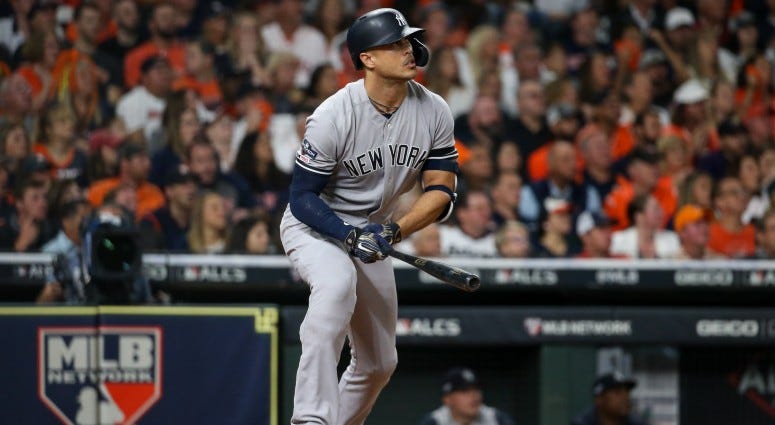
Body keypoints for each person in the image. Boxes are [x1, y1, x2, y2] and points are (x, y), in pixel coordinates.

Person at [279, 8, 458, 424]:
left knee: (379, 362)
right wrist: (345, 235)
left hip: (373, 231)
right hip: (317, 225)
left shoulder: (434, 111)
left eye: (409, 41)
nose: (409, 49)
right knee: (337, 284)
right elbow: (301, 197)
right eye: (395, 43)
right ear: (367, 58)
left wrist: (393, 231)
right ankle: (310, 417)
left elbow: (440, 192)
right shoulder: (332, 115)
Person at [419, 367, 516, 425]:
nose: (474, 396)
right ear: (447, 399)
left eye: (476, 389)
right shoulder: (435, 422)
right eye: (465, 391)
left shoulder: (497, 419)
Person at [571, 372, 645, 425]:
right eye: (617, 393)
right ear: (599, 399)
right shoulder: (582, 423)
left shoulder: (636, 423)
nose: (625, 398)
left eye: (627, 393)